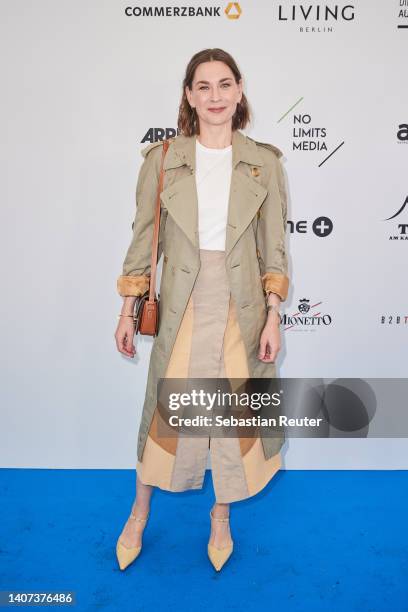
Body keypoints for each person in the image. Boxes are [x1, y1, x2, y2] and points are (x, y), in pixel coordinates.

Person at [114, 48, 290, 572]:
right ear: (189, 95)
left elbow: (274, 246)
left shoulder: (266, 162)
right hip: (185, 305)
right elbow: (144, 239)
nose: (215, 96)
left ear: (239, 90)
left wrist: (275, 313)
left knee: (234, 420)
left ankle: (220, 517)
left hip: (244, 305)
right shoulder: (164, 160)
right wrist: (128, 310)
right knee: (168, 419)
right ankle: (138, 514)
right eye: (203, 86)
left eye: (224, 84)